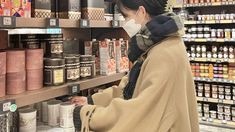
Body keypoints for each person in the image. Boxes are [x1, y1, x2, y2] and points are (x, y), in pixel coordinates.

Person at [71, 0, 200, 131]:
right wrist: (92, 101)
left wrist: (88, 115)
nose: (124, 22)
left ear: (142, 12)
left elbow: (140, 112)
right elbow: (129, 88)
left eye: (126, 16)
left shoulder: (164, 54)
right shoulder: (156, 44)